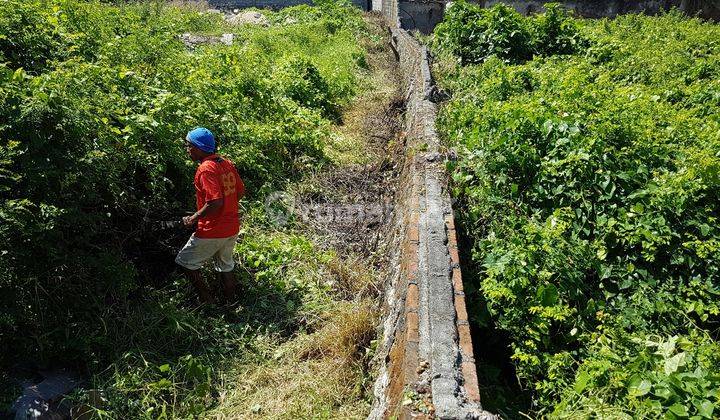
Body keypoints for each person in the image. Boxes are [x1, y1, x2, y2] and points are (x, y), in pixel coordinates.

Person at [175, 127, 245, 304]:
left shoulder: (206, 169)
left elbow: (215, 202)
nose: (188, 149)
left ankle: (208, 302)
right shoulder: (226, 163)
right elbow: (240, 191)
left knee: (185, 262)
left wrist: (193, 218)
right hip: (231, 226)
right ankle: (231, 304)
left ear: (199, 148)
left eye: (189, 146)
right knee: (225, 266)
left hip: (213, 229)